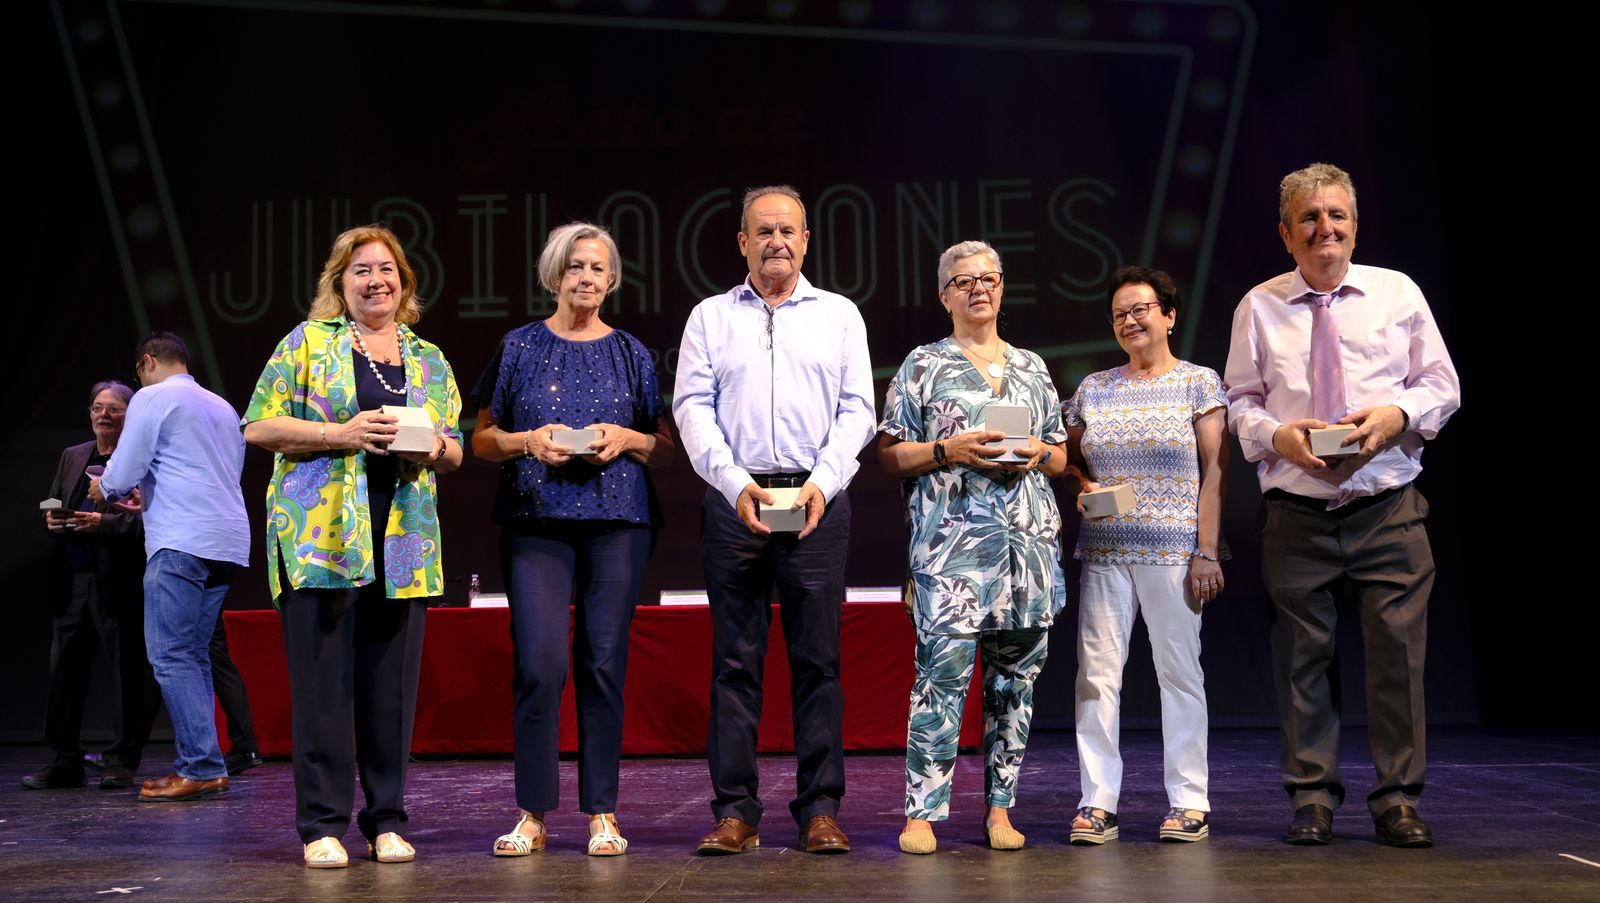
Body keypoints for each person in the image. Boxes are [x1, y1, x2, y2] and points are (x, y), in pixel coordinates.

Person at [1224, 163, 1460, 848]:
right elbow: (1241, 402)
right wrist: (1280, 439)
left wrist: (1396, 413)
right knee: (1301, 660)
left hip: (1388, 505)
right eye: (1309, 218)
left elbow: (1442, 382)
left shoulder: (1397, 293)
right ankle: (1312, 797)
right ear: (1286, 233)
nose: (1324, 227)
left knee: (1397, 658)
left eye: (1336, 215)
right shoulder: (1258, 305)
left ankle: (1398, 800)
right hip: (1297, 515)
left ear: (1354, 225)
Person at [242, 224, 463, 868]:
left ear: (405, 282)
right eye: (361, 270)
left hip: (404, 543)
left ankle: (387, 820)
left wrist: (433, 447)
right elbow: (258, 425)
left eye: (387, 270)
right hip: (321, 541)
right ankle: (321, 826)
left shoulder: (428, 358)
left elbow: (451, 448)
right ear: (340, 284)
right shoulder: (309, 343)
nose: (376, 281)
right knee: (324, 690)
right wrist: (342, 432)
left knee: (388, 692)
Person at [673, 185, 876, 855]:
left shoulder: (839, 314)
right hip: (737, 503)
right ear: (741, 241)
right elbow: (693, 409)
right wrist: (733, 483)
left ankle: (820, 809)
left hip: (815, 503)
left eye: (788, 230)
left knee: (818, 661)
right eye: (763, 230)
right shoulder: (709, 316)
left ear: (807, 240)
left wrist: (822, 483)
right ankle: (736, 811)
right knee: (735, 663)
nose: (776, 241)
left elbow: (858, 411)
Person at [471, 222, 673, 857]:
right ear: (555, 275)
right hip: (536, 518)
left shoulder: (633, 353)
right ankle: (532, 812)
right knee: (539, 664)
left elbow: (664, 445)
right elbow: (481, 438)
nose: (586, 278)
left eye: (598, 269)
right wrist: (526, 441)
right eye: (575, 267)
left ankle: (602, 813)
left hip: (617, 521)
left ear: (612, 281)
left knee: (603, 663)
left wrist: (628, 437)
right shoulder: (519, 347)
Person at [878, 240, 1069, 854]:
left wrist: (1040, 452)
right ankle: (922, 814)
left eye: (988, 279)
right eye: (963, 282)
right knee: (941, 682)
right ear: (944, 296)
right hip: (952, 554)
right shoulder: (924, 365)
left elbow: (1061, 454)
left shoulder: (1033, 366)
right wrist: (947, 450)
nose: (978, 289)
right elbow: (889, 454)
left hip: (1028, 554)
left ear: (1003, 287)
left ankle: (1000, 810)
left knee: (1016, 686)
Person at [1063, 266, 1228, 845]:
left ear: (1169, 315)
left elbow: (1216, 470)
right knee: (1096, 678)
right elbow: (1069, 460)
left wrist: (1206, 551)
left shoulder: (1197, 382)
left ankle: (1189, 801)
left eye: (1141, 309)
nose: (1130, 320)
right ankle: (1097, 802)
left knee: (1179, 674)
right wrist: (1084, 484)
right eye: (1119, 314)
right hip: (1106, 552)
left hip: (1173, 552)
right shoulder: (1094, 388)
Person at [88, 332, 251, 804]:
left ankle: (198, 765)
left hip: (180, 540)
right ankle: (207, 764)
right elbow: (210, 471)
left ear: (146, 362)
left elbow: (122, 470)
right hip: (225, 540)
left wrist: (108, 489)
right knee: (194, 654)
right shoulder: (221, 406)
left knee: (170, 655)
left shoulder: (152, 397)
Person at [24, 381, 161, 792]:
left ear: (129, 416)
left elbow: (149, 520)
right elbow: (53, 499)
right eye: (98, 407)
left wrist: (103, 523)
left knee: (126, 672)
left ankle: (122, 760)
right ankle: (65, 759)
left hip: (117, 580)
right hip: (72, 580)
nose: (104, 415)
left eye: (115, 409)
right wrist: (52, 519)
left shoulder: (141, 459)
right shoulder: (73, 456)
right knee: (64, 673)